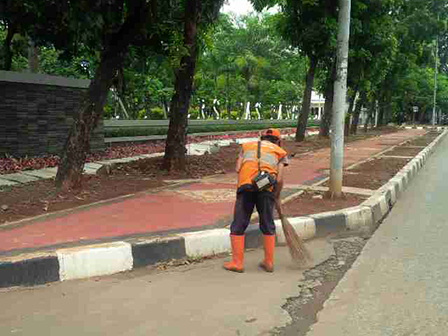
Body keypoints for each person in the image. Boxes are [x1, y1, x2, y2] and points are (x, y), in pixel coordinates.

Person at [224, 128, 289, 273]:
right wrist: (276, 195)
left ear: (261, 138)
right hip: (266, 188)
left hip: (245, 187)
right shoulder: (280, 152)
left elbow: (237, 168)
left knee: (239, 224)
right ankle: (269, 262)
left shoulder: (246, 147)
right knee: (267, 223)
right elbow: (279, 179)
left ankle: (237, 263)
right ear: (278, 141)